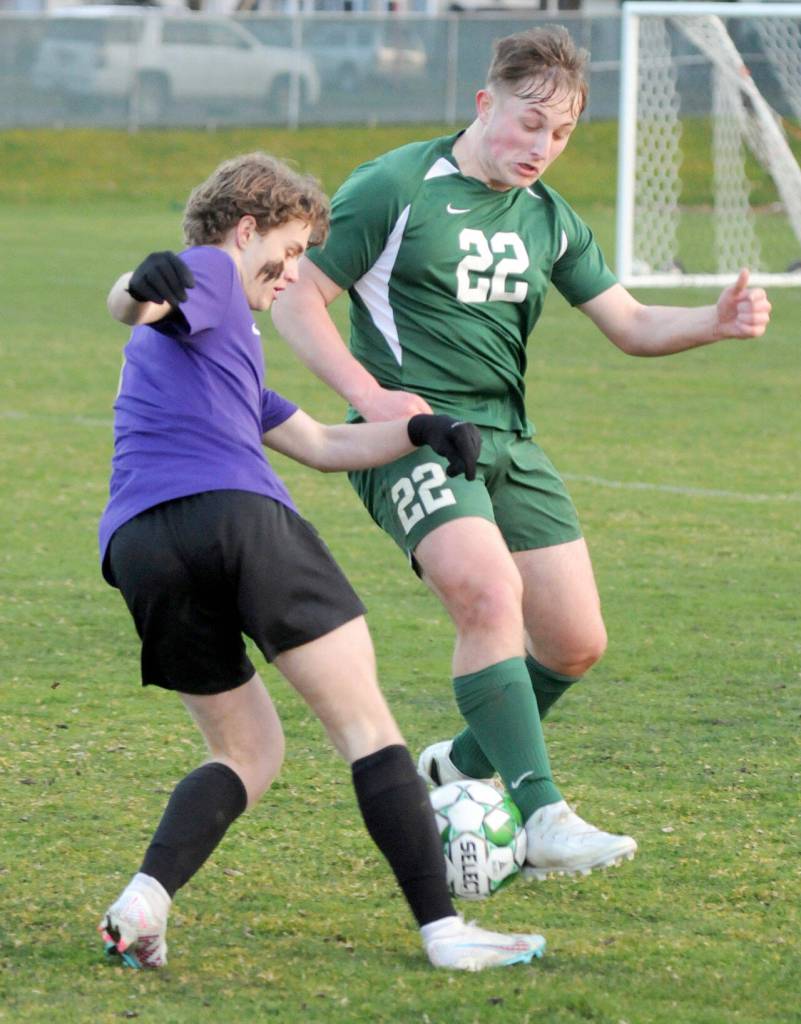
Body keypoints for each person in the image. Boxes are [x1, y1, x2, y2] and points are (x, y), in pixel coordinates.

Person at [270, 26, 772, 881]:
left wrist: (710, 325)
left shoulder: (548, 217)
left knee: (574, 642)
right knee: (488, 591)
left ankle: (459, 766)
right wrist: (370, 395)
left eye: (562, 132)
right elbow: (296, 296)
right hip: (414, 440)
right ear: (484, 103)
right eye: (528, 122)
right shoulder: (394, 186)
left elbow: (630, 322)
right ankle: (540, 816)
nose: (542, 146)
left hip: (510, 441)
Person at [96, 152, 547, 973]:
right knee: (367, 726)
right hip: (238, 519)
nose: (293, 272)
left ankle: (144, 901)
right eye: (293, 250)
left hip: (141, 548)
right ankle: (446, 932)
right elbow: (137, 298)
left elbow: (319, 442)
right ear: (245, 230)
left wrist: (419, 431)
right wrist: (138, 279)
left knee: (246, 753)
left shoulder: (217, 352)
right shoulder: (208, 274)